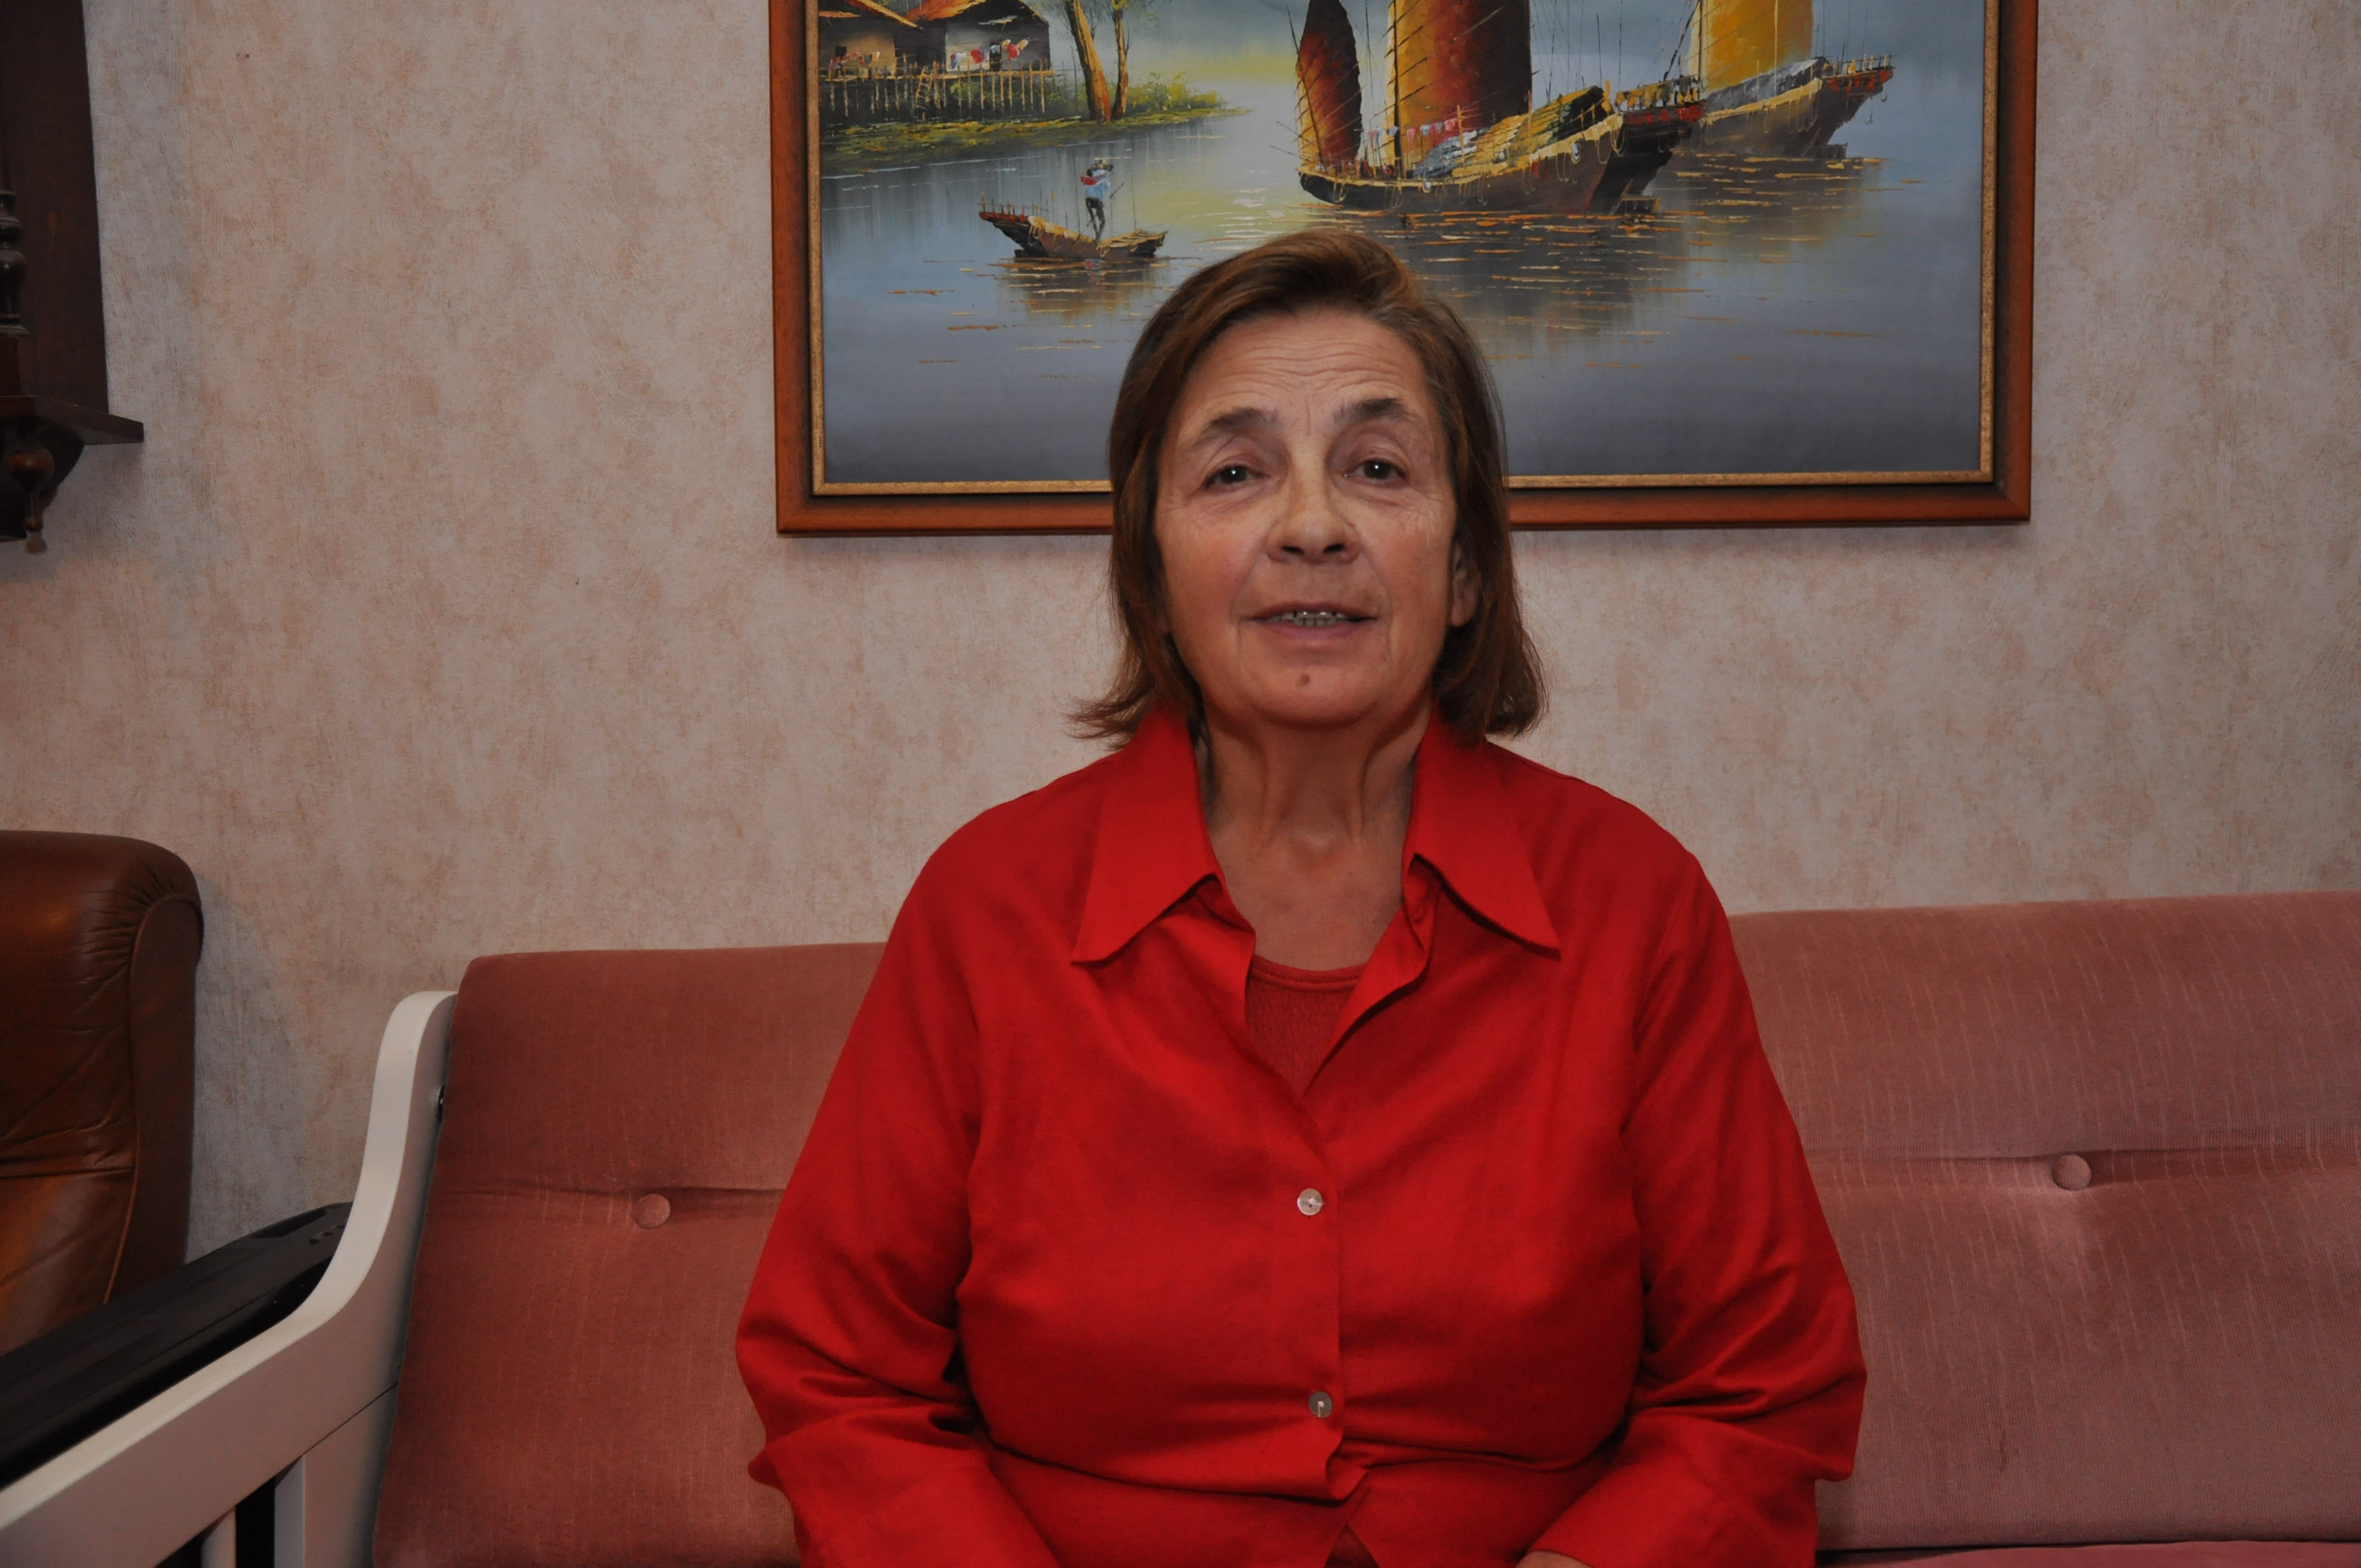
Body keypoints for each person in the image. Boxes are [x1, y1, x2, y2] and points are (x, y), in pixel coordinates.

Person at [738, 229, 1864, 1568]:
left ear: (1463, 568)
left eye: (1377, 468)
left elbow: (1762, 1380)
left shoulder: (1632, 902)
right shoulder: (989, 907)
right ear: (1152, 575)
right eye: (1235, 472)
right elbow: (836, 1373)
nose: (1313, 525)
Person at [1081, 160, 1111, 239]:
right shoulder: (1102, 175)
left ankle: (1096, 235)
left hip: (1088, 201)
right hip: (1097, 201)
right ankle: (1098, 239)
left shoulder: (1088, 177)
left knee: (1093, 218)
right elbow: (1107, 188)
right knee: (1103, 221)